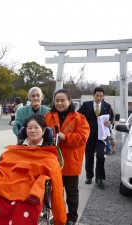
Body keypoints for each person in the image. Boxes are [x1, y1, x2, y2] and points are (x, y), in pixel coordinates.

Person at [0, 114, 66, 225]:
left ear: (44, 130)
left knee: (24, 208)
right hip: (8, 184)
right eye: (29, 128)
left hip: (30, 189)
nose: (33, 130)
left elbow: (55, 178)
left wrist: (59, 218)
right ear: (25, 131)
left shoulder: (49, 152)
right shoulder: (16, 149)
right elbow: (3, 164)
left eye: (36, 127)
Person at [44, 89, 90, 225]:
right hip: (52, 161)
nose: (59, 103)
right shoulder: (48, 117)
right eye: (57, 100)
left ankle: (72, 218)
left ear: (69, 101)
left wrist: (66, 136)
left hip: (71, 161)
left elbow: (82, 137)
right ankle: (59, 217)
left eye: (62, 100)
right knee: (55, 193)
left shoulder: (79, 118)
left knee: (72, 193)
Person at [78, 87, 114, 187]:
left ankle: (99, 178)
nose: (99, 97)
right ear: (93, 95)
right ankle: (89, 176)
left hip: (101, 136)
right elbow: (78, 116)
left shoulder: (107, 106)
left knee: (100, 156)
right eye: (97, 95)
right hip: (89, 135)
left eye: (101, 96)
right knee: (89, 156)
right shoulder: (86, 105)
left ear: (103, 96)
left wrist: (110, 122)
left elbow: (111, 118)